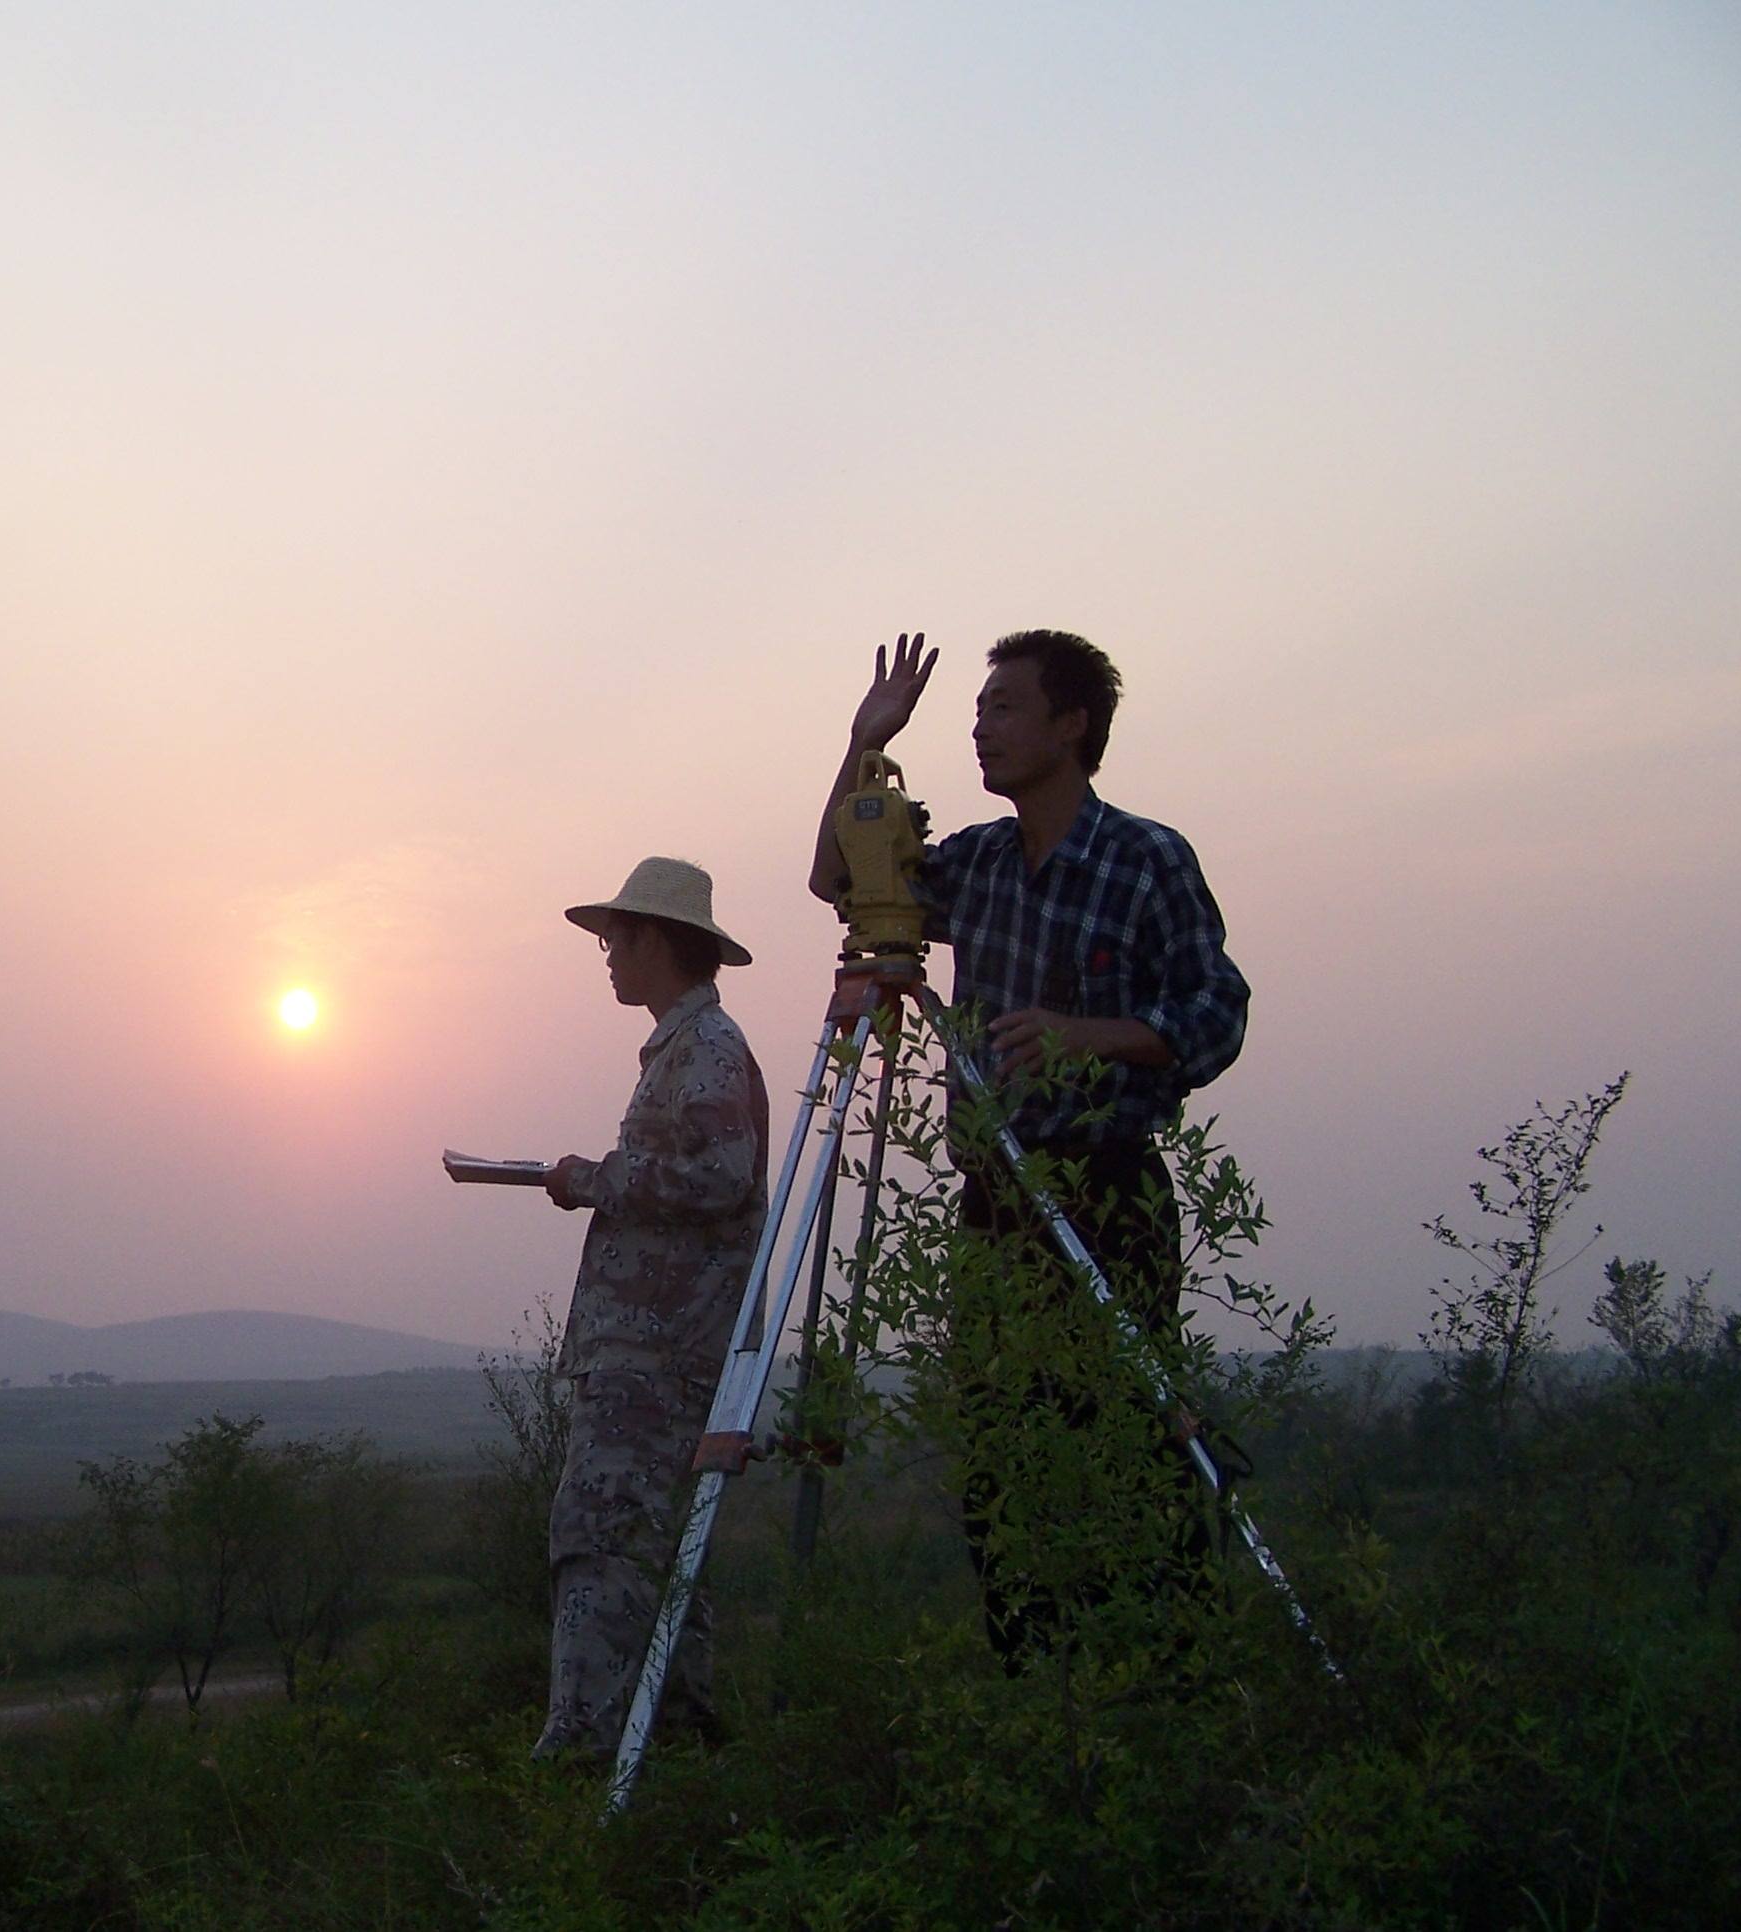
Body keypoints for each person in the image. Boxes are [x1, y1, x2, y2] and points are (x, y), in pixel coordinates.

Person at [809, 629, 1249, 1662]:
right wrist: (865, 744)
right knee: (1001, 1452)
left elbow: (1216, 1015)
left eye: (1003, 707)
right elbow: (839, 879)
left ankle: (1164, 1676)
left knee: (1126, 1439)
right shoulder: (980, 863)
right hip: (994, 1200)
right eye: (977, 710)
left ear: (1072, 724)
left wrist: (1084, 1036)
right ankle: (1033, 1680)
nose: (980, 728)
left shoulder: (1145, 859)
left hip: (1105, 1191)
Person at [535, 857, 770, 1760]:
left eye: (617, 937)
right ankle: (677, 1750)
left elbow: (719, 1175)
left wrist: (595, 1180)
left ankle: (585, 1750)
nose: (606, 954)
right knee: (657, 1553)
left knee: (601, 1540)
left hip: (660, 1357)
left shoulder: (706, 1048)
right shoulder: (690, 1047)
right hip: (658, 1352)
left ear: (658, 942)